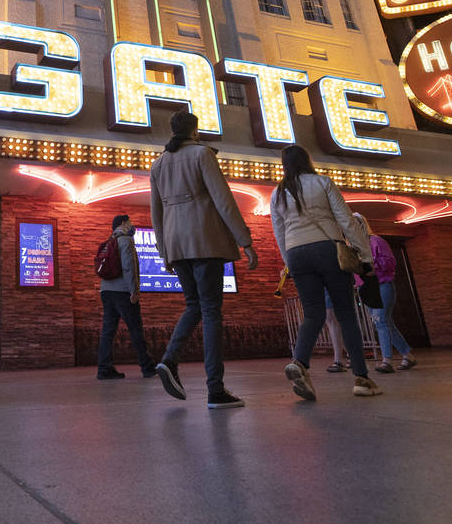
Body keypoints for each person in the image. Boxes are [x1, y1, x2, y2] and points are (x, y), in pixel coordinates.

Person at [149, 110, 258, 410]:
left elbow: (155, 213)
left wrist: (164, 251)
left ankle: (170, 360)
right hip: (205, 241)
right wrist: (244, 240)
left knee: (194, 305)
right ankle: (215, 390)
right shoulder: (201, 154)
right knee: (211, 311)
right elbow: (223, 199)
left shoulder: (158, 163)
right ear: (194, 131)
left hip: (176, 245)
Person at [271, 144, 382, 401]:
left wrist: (290, 263)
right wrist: (365, 257)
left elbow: (279, 232)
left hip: (297, 254)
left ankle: (299, 363)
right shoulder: (322, 183)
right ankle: (362, 379)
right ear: (307, 160)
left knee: (312, 314)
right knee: (345, 314)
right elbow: (346, 220)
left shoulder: (277, 193)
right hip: (328, 249)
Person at [96, 214, 157, 380]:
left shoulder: (109, 241)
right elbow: (129, 268)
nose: (132, 225)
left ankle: (104, 369)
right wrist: (134, 291)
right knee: (135, 329)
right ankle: (147, 367)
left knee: (108, 332)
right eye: (130, 222)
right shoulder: (126, 241)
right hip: (123, 292)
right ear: (123, 223)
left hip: (106, 292)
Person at [354, 213, 416, 374]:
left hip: (381, 285)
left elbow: (390, 262)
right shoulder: (354, 248)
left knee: (381, 321)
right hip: (366, 289)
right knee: (384, 322)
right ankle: (407, 355)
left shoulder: (376, 241)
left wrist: (371, 265)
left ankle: (386, 360)